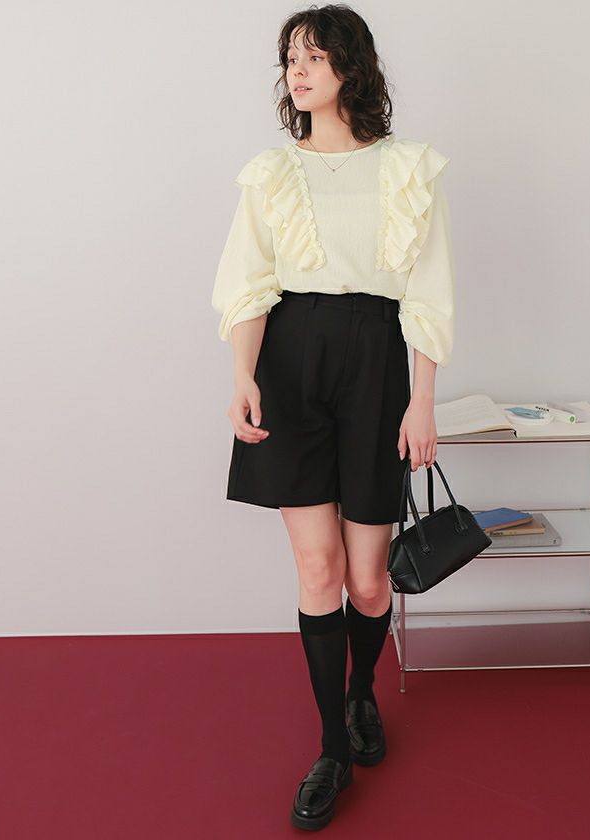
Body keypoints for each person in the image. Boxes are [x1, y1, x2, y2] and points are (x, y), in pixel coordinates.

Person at [211, 4, 455, 831]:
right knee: (317, 569)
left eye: (315, 55)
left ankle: (360, 694)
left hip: (377, 361)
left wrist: (423, 398)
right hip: (291, 361)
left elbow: (428, 291)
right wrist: (242, 377)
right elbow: (249, 284)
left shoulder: (407, 168)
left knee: (367, 577)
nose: (298, 69)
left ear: (351, 67)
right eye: (291, 57)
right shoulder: (270, 174)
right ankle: (331, 750)